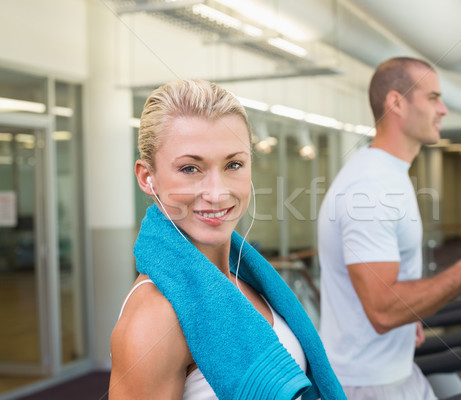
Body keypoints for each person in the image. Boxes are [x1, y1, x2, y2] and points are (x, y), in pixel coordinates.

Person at [109, 79, 345, 400]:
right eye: (191, 168)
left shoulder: (247, 279)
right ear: (147, 178)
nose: (218, 194)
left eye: (233, 164)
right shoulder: (154, 317)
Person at [317, 57, 461, 399]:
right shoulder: (371, 188)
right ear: (397, 103)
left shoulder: (388, 175)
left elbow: (386, 297)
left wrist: (409, 311)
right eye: (433, 97)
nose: (443, 109)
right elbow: (383, 310)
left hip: (390, 370)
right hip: (369, 384)